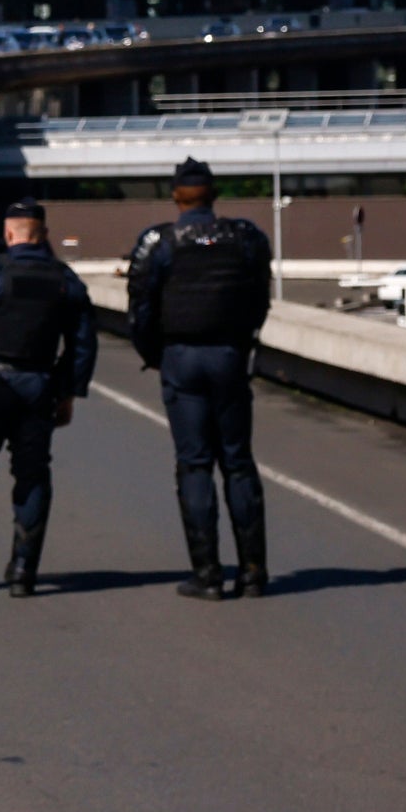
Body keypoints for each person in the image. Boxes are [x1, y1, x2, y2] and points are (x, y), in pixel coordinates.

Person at [125, 155, 274, 598]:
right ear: (214, 195)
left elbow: (141, 310)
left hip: (181, 358)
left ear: (175, 196)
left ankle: (208, 573)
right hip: (228, 355)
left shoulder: (160, 243)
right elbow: (258, 300)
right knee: (238, 462)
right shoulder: (245, 238)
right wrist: (242, 344)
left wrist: (154, 355)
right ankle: (252, 572)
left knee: (194, 464)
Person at [0, 199, 99, 596]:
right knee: (32, 475)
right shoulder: (65, 280)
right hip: (38, 387)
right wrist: (67, 394)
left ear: (9, 234)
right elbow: (82, 345)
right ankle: (24, 571)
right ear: (42, 234)